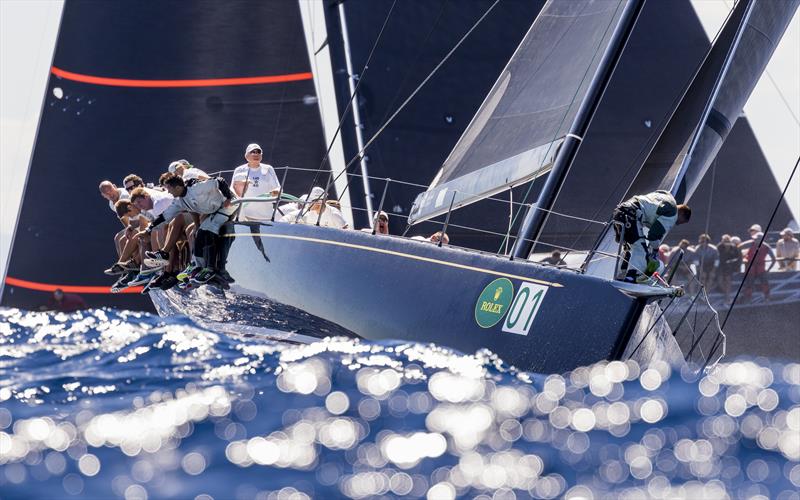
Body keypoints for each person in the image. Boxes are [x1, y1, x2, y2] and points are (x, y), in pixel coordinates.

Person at [146, 174, 238, 286]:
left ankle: (211, 269)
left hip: (228, 205)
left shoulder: (196, 187)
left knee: (208, 230)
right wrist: (149, 229)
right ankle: (199, 267)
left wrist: (228, 197)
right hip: (214, 209)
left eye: (169, 188)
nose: (168, 192)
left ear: (178, 187)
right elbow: (165, 216)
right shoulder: (180, 201)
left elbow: (219, 181)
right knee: (199, 233)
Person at [612, 190, 691, 282]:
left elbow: (651, 209)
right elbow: (653, 235)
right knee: (640, 250)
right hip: (631, 215)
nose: (678, 224)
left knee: (629, 248)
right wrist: (655, 249)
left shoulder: (665, 195)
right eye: (681, 222)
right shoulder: (673, 213)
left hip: (620, 211)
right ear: (681, 213)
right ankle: (631, 278)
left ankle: (620, 275)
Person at [232, 143, 281, 221]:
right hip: (245, 217)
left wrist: (276, 191)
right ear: (246, 156)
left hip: (266, 217)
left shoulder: (268, 169)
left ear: (261, 155)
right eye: (253, 152)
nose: (256, 154)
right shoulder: (239, 170)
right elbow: (232, 190)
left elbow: (278, 188)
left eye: (258, 152)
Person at [282, 186, 348, 229]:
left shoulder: (333, 213)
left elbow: (345, 230)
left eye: (311, 201)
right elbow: (293, 216)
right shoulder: (310, 212)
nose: (308, 203)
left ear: (319, 202)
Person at [739, 232, 775, 302]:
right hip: (750, 267)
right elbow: (738, 247)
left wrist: (768, 270)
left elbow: (773, 259)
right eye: (755, 239)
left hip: (761, 268)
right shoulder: (750, 243)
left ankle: (767, 297)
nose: (755, 240)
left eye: (758, 239)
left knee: (765, 282)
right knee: (749, 283)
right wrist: (742, 258)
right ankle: (748, 298)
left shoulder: (767, 247)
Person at [716, 234, 741, 303]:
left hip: (729, 267)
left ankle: (727, 297)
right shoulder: (719, 247)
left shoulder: (733, 247)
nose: (726, 243)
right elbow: (716, 257)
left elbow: (737, 258)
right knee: (720, 281)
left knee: (728, 281)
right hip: (720, 266)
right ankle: (726, 294)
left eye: (727, 241)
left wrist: (732, 264)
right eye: (724, 241)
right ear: (722, 241)